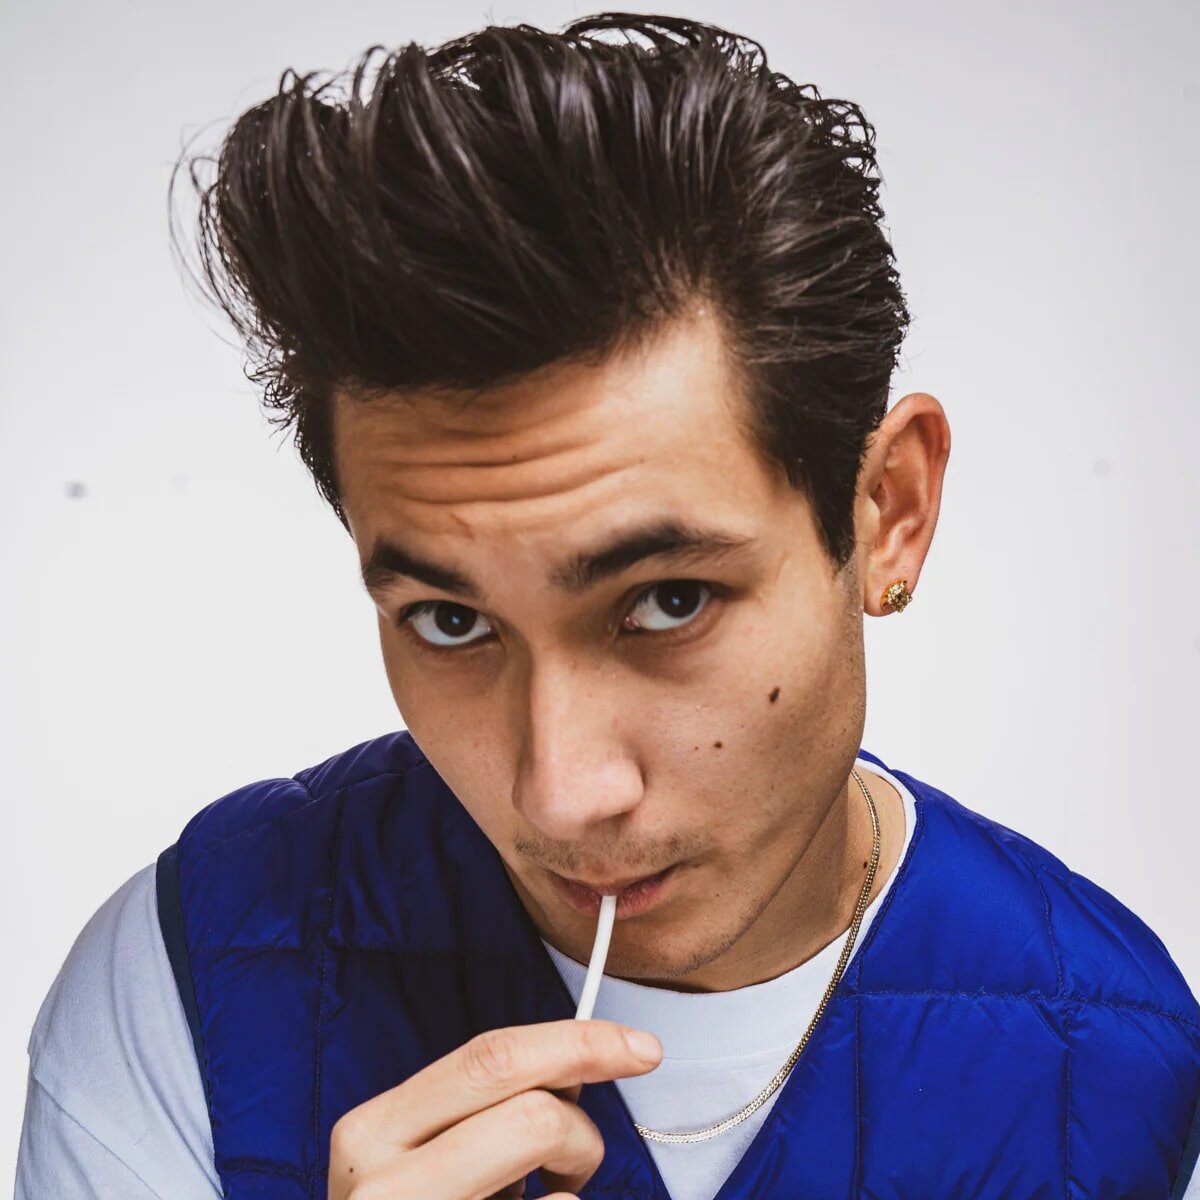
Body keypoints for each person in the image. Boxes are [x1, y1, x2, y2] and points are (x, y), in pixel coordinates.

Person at [15, 12, 1200, 1200]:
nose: (559, 793)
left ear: (887, 510)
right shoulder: (178, 992)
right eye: (450, 621)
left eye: (669, 601)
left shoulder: (1124, 1068)